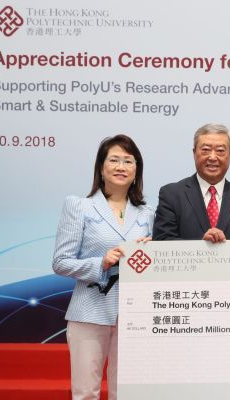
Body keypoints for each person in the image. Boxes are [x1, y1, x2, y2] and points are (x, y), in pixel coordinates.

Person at [52, 134, 154, 400]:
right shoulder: (79, 206)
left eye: (128, 161)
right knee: (86, 392)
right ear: (101, 168)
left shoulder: (148, 213)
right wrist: (102, 262)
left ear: (136, 171)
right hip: (89, 312)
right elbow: (61, 262)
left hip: (135, 315)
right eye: (114, 160)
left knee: (128, 392)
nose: (121, 166)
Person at [153, 123, 230, 241]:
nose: (212, 157)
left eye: (220, 150)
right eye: (206, 150)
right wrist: (201, 248)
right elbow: (163, 241)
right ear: (194, 153)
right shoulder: (171, 195)